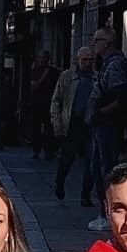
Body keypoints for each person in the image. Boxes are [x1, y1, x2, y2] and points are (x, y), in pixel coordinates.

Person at [84, 27, 127, 231]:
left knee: (106, 168)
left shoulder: (115, 64)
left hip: (108, 125)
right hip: (101, 124)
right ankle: (104, 212)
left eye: (97, 40)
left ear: (108, 42)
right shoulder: (104, 63)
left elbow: (121, 95)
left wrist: (101, 112)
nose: (94, 45)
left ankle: (108, 214)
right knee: (98, 166)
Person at [51, 48, 97, 205]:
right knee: (67, 159)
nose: (87, 63)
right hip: (72, 123)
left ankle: (85, 195)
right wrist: (57, 122)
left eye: (90, 60)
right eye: (84, 59)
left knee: (91, 161)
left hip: (90, 124)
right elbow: (57, 100)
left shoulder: (96, 78)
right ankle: (60, 182)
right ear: (77, 60)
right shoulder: (67, 77)